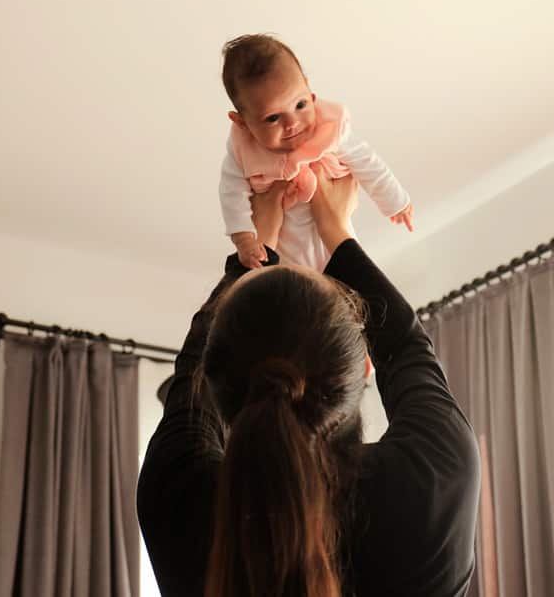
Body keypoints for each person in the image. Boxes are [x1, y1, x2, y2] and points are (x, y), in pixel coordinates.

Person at [137, 165, 481, 597]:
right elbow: (408, 347)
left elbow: (405, 346)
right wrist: (335, 229)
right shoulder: (432, 478)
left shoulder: (177, 498)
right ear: (361, 369)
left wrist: (256, 247)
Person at [219, 33, 414, 271]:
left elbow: (366, 161)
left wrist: (395, 201)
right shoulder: (242, 150)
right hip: (285, 249)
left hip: (333, 242)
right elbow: (231, 193)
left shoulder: (329, 127)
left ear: (310, 93)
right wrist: (244, 238)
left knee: (351, 281)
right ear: (242, 122)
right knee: (296, 290)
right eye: (272, 118)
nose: (292, 123)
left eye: (300, 105)